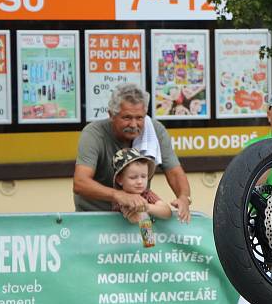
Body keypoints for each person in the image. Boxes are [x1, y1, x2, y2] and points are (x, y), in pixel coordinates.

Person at [73, 83, 192, 222]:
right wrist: (118, 195)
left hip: (138, 219)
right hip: (95, 220)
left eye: (140, 118)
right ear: (111, 114)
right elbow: (80, 182)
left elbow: (174, 172)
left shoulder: (155, 130)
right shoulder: (93, 133)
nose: (134, 125)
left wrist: (184, 197)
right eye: (127, 118)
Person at [111, 148, 172, 224]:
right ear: (119, 180)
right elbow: (134, 218)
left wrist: (145, 207)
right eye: (133, 177)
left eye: (143, 176)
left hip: (145, 234)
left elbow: (167, 212)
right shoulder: (119, 197)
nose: (140, 182)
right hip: (119, 235)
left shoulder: (147, 194)